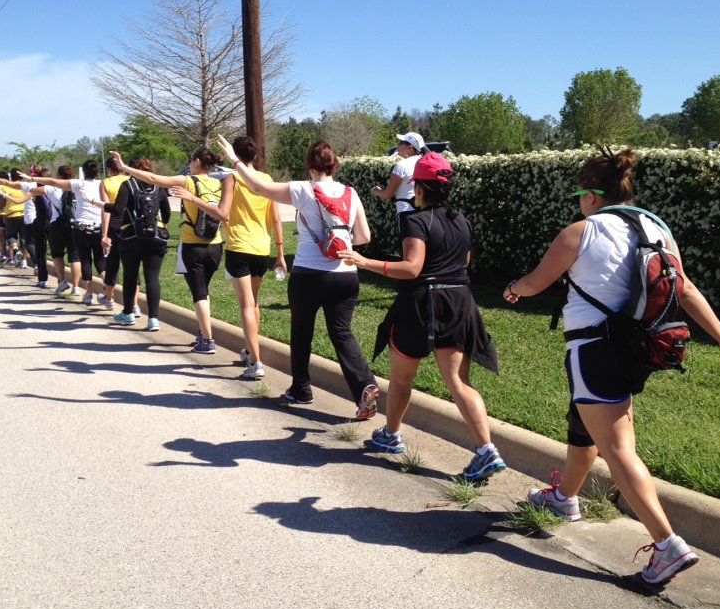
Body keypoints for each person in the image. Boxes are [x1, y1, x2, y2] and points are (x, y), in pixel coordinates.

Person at [503, 147, 720, 584]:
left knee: (617, 448)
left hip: (595, 349)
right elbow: (684, 288)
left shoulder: (582, 231)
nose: (579, 202)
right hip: (638, 345)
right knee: (586, 424)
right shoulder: (656, 227)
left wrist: (514, 289)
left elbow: (538, 281)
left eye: (581, 195)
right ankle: (564, 498)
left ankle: (667, 545)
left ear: (592, 195)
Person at [339, 152, 506, 480]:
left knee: (402, 379)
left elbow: (412, 268)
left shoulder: (414, 220)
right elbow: (465, 261)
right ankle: (487, 449)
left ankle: (391, 434)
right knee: (459, 381)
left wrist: (364, 261)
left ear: (418, 188)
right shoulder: (463, 221)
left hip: (420, 304)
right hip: (458, 302)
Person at [216, 135, 379, 420]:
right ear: (335, 165)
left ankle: (301, 389)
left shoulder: (303, 189)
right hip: (346, 274)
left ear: (309, 165)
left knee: (302, 332)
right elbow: (363, 237)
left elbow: (257, 186)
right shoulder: (351, 193)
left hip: (308, 275)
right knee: (342, 333)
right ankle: (364, 386)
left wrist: (235, 158)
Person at [111, 147, 225, 353]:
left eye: (191, 159)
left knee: (199, 293)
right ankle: (202, 331)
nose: (190, 164)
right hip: (216, 244)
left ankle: (207, 340)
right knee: (205, 291)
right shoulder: (218, 183)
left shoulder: (189, 181)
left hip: (193, 244)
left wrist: (124, 167)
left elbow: (154, 178)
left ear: (197, 161)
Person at [217, 136, 287, 380]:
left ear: (234, 156)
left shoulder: (231, 178)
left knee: (246, 304)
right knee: (254, 302)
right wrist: (280, 253)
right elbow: (276, 219)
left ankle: (256, 363)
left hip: (238, 247)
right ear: (255, 156)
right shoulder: (266, 180)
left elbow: (222, 211)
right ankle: (249, 351)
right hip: (261, 248)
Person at [84, 156, 171, 328]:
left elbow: (117, 209)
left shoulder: (128, 185)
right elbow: (166, 213)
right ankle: (153, 319)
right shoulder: (158, 185)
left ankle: (128, 313)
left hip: (131, 237)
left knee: (130, 276)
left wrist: (96, 203)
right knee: (152, 277)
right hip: (156, 237)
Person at [22, 160, 105, 304]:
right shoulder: (95, 185)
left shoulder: (57, 188)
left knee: (57, 254)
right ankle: (77, 287)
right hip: (82, 224)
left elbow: (35, 189)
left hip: (59, 225)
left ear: (60, 176)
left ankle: (62, 280)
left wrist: (33, 179)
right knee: (76, 257)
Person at [98, 155, 136, 313]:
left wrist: (104, 234)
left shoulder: (106, 183)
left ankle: (109, 298)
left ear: (109, 169)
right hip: (132, 225)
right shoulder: (131, 180)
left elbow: (106, 210)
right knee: (132, 266)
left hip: (114, 225)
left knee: (112, 263)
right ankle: (134, 304)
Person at [371, 132, 424, 240]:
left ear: (410, 147)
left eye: (400, 142)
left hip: (407, 213)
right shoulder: (424, 163)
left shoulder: (401, 166)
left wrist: (377, 191)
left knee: (408, 252)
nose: (398, 145)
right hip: (425, 212)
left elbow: (387, 194)